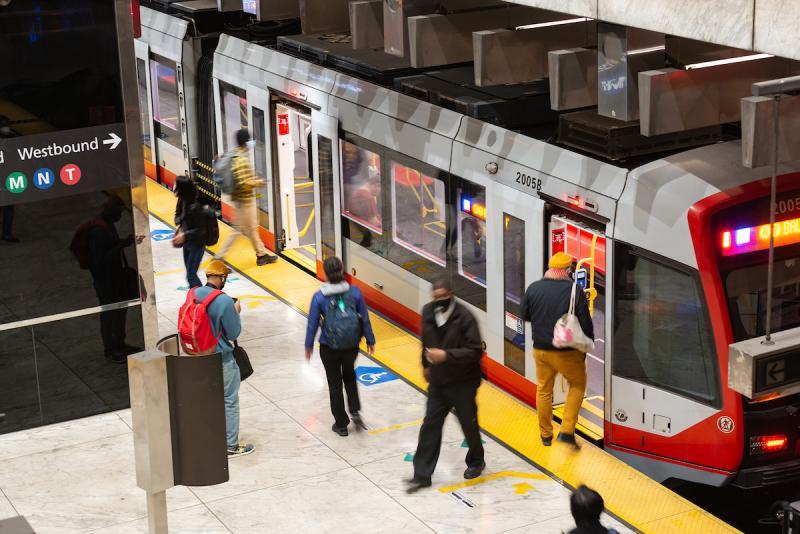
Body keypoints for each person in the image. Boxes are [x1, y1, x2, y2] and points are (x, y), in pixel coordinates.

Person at [406, 276, 485, 493]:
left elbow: (475, 351)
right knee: (430, 425)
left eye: (443, 297)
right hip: (439, 382)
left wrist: (446, 355)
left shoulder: (466, 318)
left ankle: (476, 460)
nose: (438, 301)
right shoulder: (428, 311)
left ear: (451, 295)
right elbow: (425, 341)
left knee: (468, 424)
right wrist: (425, 364)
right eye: (435, 297)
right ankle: (422, 474)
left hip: (463, 382)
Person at [521, 251, 594, 449]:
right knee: (577, 385)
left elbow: (525, 315)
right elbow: (585, 322)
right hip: (566, 351)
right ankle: (567, 431)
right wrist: (586, 345)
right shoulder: (573, 290)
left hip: (540, 350)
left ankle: (545, 434)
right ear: (567, 270)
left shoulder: (534, 288)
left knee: (544, 390)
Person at [305, 256, 376, 436]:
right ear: (342, 270)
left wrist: (308, 346)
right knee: (350, 376)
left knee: (335, 384)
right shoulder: (355, 292)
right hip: (351, 346)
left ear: (326, 273)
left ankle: (341, 424)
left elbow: (312, 324)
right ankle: (355, 411)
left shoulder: (319, 297)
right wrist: (370, 339)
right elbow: (364, 318)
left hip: (329, 347)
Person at [197, 260, 255, 458]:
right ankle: (230, 444)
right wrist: (236, 311)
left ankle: (208, 437)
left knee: (209, 399)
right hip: (221, 357)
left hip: (199, 356)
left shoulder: (194, 294)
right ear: (222, 278)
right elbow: (232, 332)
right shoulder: (223, 301)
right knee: (229, 400)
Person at [87, 196, 143, 363]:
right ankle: (111, 349)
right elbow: (100, 258)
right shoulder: (99, 230)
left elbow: (109, 246)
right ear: (112, 212)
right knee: (110, 314)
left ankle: (120, 343)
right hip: (105, 280)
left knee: (120, 312)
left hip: (115, 277)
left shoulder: (107, 225)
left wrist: (123, 242)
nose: (120, 217)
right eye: (119, 212)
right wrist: (121, 245)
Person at [215, 129, 277, 266]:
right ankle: (218, 258)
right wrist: (258, 182)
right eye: (250, 140)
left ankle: (261, 255)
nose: (252, 142)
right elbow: (243, 182)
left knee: (251, 228)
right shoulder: (241, 160)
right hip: (245, 201)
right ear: (246, 142)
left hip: (241, 199)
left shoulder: (236, 153)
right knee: (238, 230)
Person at [173, 176, 214, 288]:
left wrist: (184, 234)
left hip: (197, 244)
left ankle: (203, 298)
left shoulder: (196, 206)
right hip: (187, 243)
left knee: (191, 275)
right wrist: (180, 227)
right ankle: (195, 299)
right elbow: (177, 215)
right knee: (190, 273)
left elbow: (201, 230)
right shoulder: (182, 200)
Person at [1, 116, 19, 244]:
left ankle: (6, 234)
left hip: (8, 177)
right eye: (3, 125)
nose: (6, 127)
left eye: (7, 124)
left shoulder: (12, 137)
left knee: (8, 207)